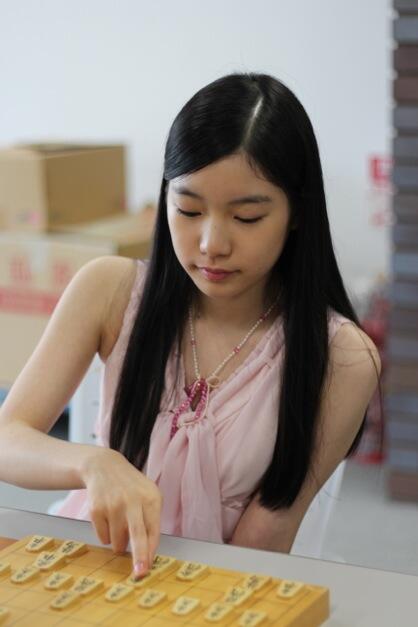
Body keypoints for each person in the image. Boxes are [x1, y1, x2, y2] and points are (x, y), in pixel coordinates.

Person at [0, 73, 381, 580]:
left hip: (207, 587)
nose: (210, 244)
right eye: (188, 209)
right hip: (88, 562)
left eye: (246, 218)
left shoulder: (342, 357)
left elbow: (261, 545)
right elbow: (8, 439)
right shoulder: (109, 289)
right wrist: (92, 463)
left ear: (297, 213)